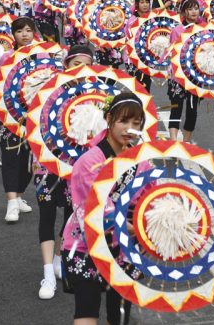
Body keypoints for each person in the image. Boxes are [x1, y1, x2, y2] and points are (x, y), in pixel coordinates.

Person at [62, 92, 143, 325]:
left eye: (136, 124)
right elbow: (92, 208)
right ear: (108, 119)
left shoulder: (140, 160)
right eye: (123, 121)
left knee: (118, 316)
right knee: (86, 313)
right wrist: (132, 226)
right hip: (86, 246)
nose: (129, 128)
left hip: (124, 247)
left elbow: (150, 195)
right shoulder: (89, 162)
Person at [35, 45, 94, 301]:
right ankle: (47, 272)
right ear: (65, 66)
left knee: (71, 217)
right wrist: (34, 154)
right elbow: (34, 126)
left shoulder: (99, 97)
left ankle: (59, 258)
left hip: (78, 169)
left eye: (86, 63)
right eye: (74, 64)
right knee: (47, 215)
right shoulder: (48, 92)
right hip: (47, 164)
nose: (79, 69)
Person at [0, 16, 37, 223]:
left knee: (30, 161)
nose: (24, 35)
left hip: (36, 118)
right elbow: (0, 87)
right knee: (11, 158)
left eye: (28, 30)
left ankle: (20, 196)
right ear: (13, 35)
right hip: (11, 115)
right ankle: (11, 202)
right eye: (20, 31)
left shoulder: (43, 56)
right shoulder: (6, 57)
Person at [167, 0, 205, 142]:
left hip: (196, 77)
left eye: (196, 8)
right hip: (178, 76)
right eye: (190, 9)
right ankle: (173, 141)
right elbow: (173, 53)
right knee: (176, 108)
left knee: (192, 111)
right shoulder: (177, 30)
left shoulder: (203, 29)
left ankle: (186, 142)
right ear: (184, 12)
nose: (194, 11)